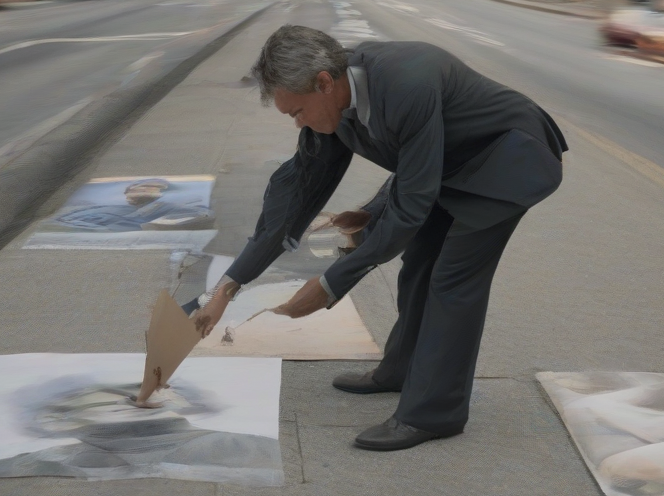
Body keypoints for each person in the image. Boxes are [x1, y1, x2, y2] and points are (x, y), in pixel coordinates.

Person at [194, 25, 566, 451]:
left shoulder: (408, 82)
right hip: (450, 166)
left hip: (508, 162)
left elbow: (412, 203)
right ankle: (400, 370)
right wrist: (228, 288)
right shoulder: (333, 102)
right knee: (418, 264)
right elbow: (292, 200)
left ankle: (433, 413)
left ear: (323, 83)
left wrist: (331, 283)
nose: (298, 123)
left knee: (452, 282)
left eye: (297, 112)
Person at [55, 178, 214, 232]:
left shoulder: (167, 206)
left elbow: (202, 214)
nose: (142, 190)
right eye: (135, 188)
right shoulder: (105, 207)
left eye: (150, 188)